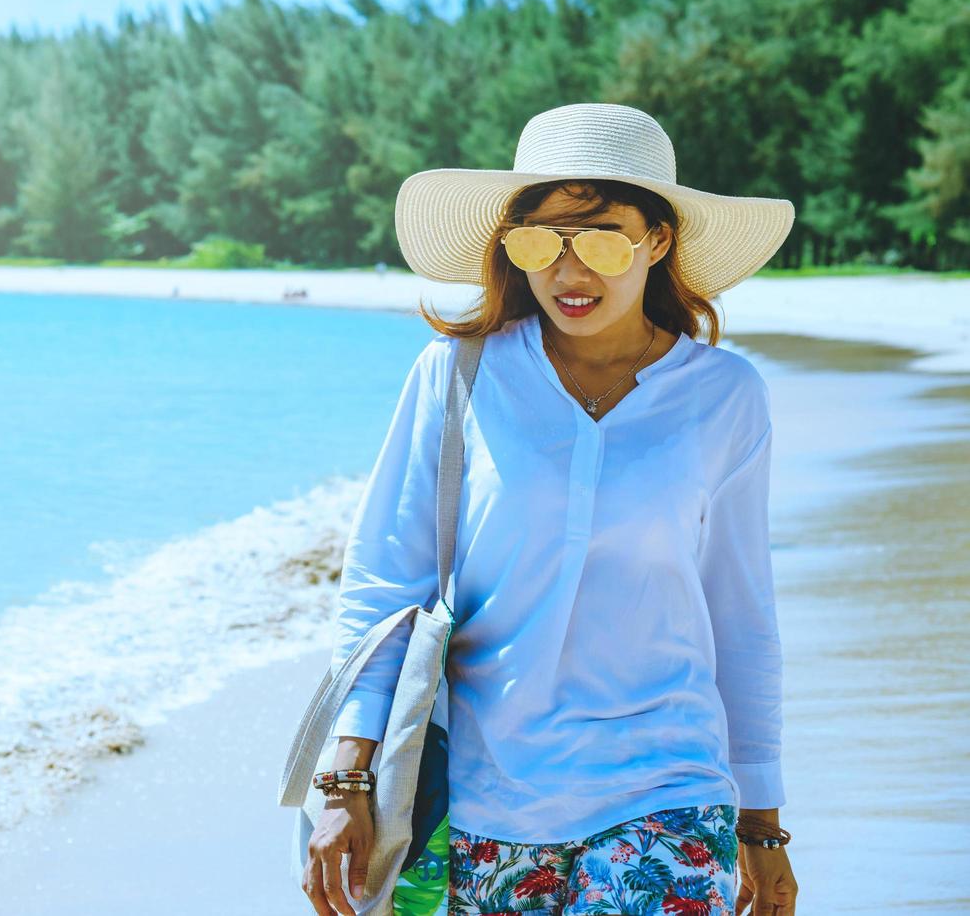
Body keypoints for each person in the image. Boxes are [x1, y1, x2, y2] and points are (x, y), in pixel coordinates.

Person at [301, 104, 801, 916]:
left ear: (659, 242)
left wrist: (764, 821)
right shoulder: (455, 375)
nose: (570, 273)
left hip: (670, 788)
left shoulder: (725, 397)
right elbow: (382, 586)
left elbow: (742, 616)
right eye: (540, 242)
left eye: (602, 239)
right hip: (485, 803)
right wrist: (346, 777)